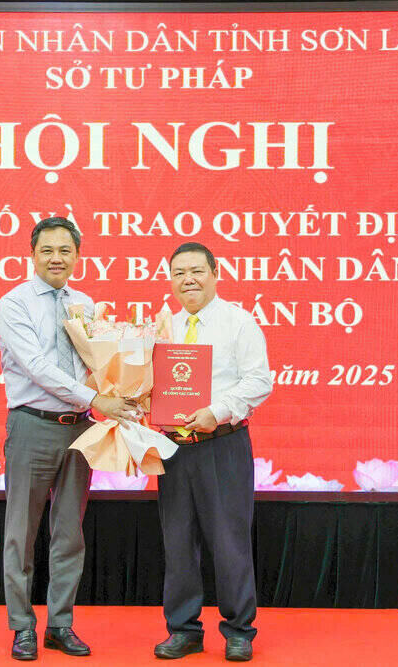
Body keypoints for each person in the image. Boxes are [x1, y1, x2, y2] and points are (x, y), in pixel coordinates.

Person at [0, 217, 138, 661]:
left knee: (69, 533)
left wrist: (128, 387)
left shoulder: (86, 304)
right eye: (47, 250)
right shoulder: (13, 304)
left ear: (77, 255)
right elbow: (37, 367)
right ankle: (22, 628)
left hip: (79, 427)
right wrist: (98, 397)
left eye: (65, 250)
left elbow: (99, 360)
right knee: (21, 532)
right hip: (32, 425)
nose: (56, 258)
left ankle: (60, 624)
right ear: (32, 254)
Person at [154, 242, 273, 662]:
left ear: (215, 273)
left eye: (197, 271)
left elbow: (259, 380)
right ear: (170, 280)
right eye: (179, 272)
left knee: (229, 542)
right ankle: (184, 629)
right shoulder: (163, 326)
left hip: (222, 444)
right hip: (173, 448)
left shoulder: (239, 323)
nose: (188, 279)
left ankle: (239, 629)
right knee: (178, 543)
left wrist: (217, 411)